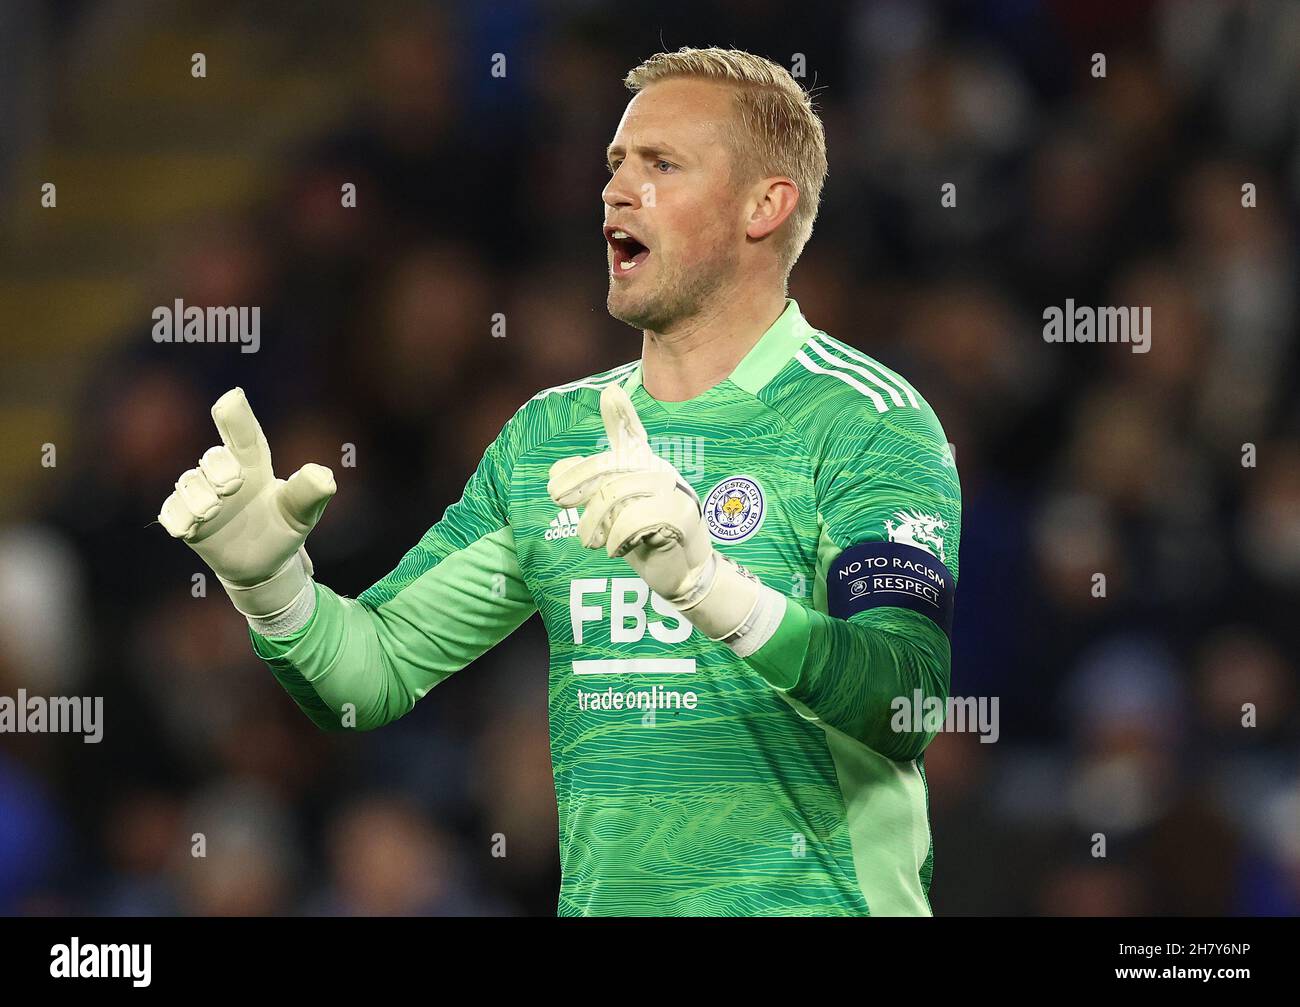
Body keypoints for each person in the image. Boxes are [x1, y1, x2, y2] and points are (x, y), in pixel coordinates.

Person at [158, 47, 962, 916]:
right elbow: (373, 673)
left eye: (662, 165)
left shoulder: (868, 418)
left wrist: (712, 590)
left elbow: (906, 694)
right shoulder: (551, 436)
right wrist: (271, 589)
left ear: (764, 206)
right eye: (616, 164)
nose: (617, 190)